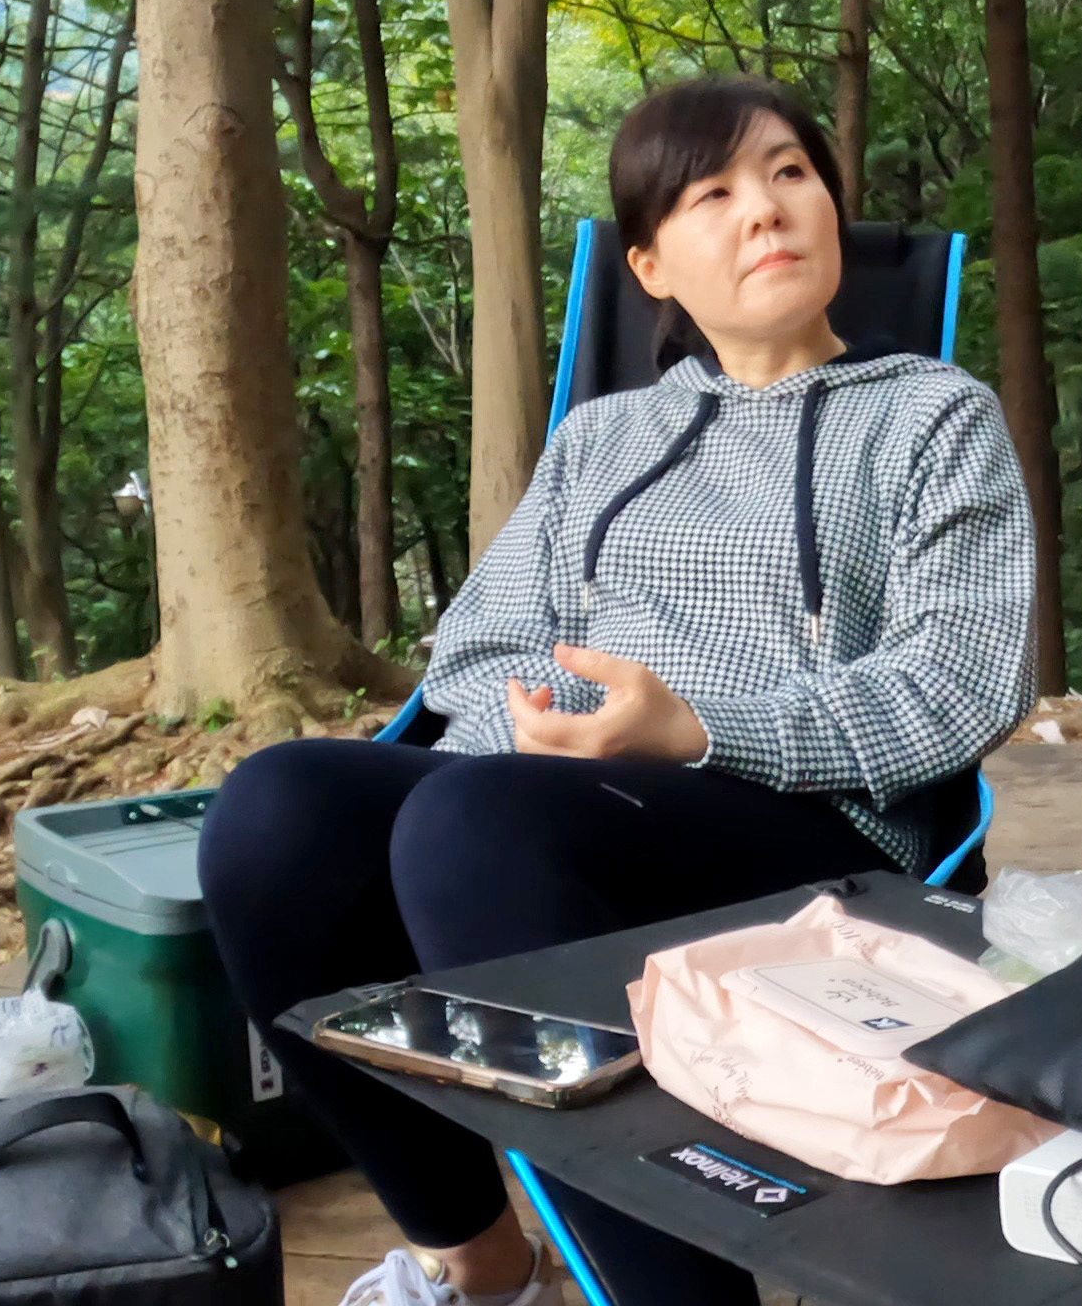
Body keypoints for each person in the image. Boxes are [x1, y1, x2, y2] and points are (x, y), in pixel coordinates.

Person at [200, 77, 1037, 1306]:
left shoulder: (930, 418)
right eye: (713, 193)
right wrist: (557, 738)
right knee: (277, 811)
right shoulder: (601, 439)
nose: (765, 209)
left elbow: (956, 684)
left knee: (472, 824)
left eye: (790, 173)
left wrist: (696, 730)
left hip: (816, 831)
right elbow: (481, 649)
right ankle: (481, 1263)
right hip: (557, 798)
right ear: (650, 266)